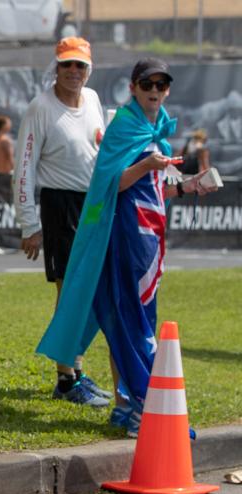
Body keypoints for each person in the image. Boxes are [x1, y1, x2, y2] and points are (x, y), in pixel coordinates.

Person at [37, 58, 215, 437]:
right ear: (133, 88)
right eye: (147, 84)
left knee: (129, 319)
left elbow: (154, 191)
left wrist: (189, 185)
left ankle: (124, 405)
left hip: (148, 243)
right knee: (131, 320)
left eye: (161, 85)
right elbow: (111, 184)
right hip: (123, 240)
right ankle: (144, 406)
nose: (154, 91)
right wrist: (147, 164)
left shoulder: (155, 131)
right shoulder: (125, 126)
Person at [13, 36, 111, 407]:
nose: (73, 71)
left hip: (93, 206)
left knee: (89, 292)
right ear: (56, 67)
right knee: (69, 292)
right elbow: (24, 168)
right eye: (66, 64)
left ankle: (77, 371)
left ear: (89, 69)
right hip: (60, 206)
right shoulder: (41, 107)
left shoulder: (94, 100)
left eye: (79, 65)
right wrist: (30, 225)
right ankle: (66, 380)